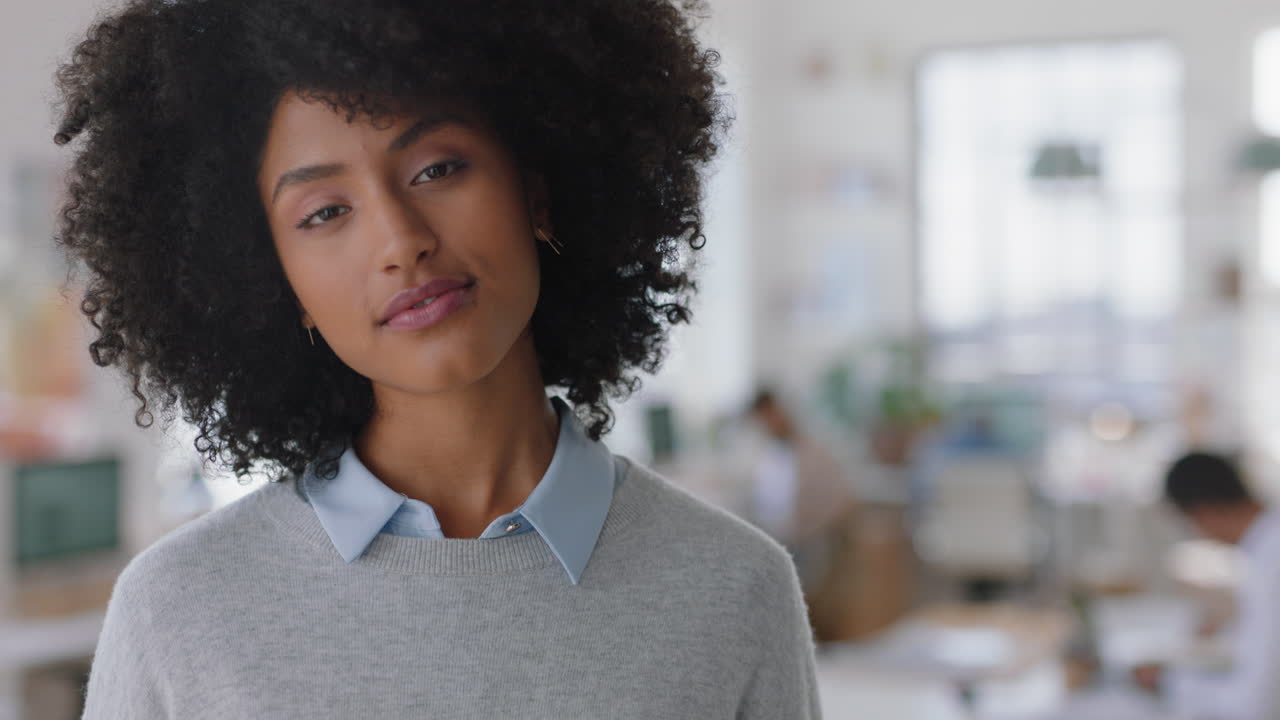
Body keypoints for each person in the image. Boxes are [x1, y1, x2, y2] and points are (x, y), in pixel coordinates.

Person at [52, 1, 820, 717]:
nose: (399, 240)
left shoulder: (734, 588)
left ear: (537, 191)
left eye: (437, 168)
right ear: (274, 283)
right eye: (324, 213)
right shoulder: (178, 609)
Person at [1149, 451, 1280, 720]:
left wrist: (1170, 683)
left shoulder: (1271, 563)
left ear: (1203, 511)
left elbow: (1256, 704)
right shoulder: (1267, 549)